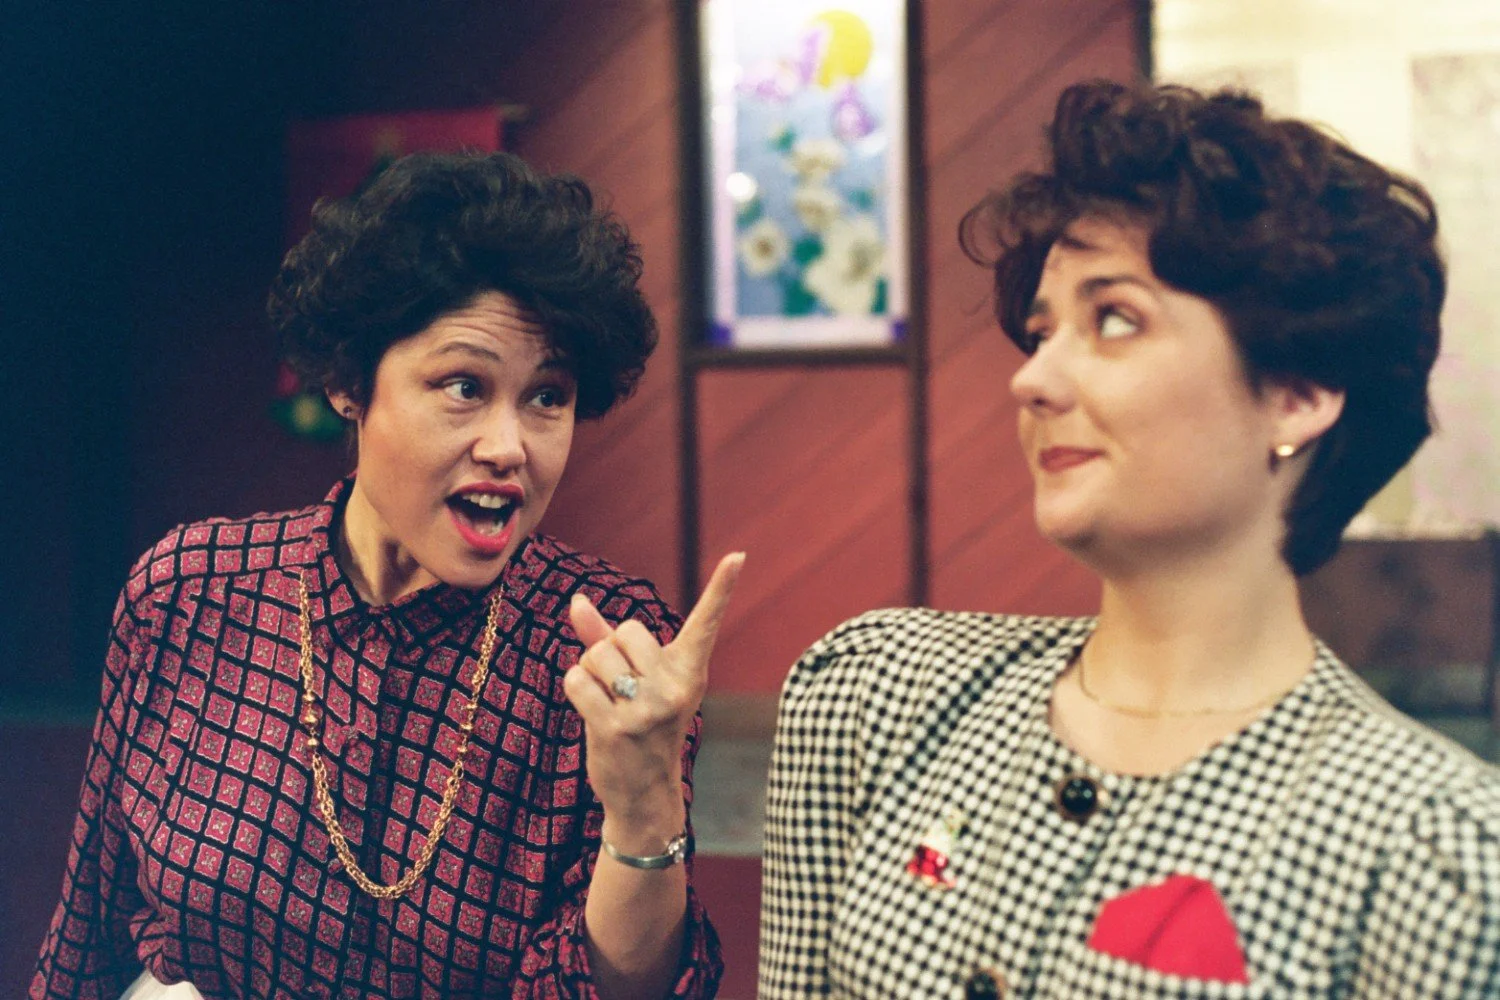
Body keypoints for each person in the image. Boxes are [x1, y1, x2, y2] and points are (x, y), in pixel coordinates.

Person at [760, 80, 1500, 998]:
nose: (1032, 379)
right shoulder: (875, 695)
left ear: (1298, 393)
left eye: (1113, 319)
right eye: (1040, 331)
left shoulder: (1433, 853)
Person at [32, 151, 742, 1000]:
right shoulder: (188, 592)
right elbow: (91, 925)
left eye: (547, 396)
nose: (510, 444)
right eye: (464, 386)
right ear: (346, 383)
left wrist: (645, 804)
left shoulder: (602, 644)